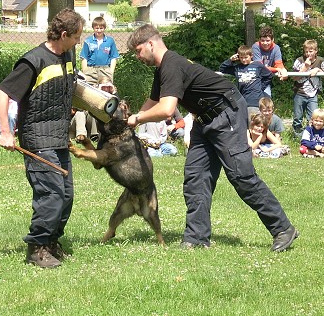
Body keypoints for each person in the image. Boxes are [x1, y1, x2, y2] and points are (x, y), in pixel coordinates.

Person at [126, 24, 298, 252]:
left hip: (225, 113)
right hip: (204, 120)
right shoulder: (163, 69)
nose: (138, 57)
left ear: (150, 44)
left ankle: (283, 229)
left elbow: (167, 110)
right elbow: (153, 101)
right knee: (196, 177)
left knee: (241, 176)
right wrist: (131, 118)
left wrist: (137, 119)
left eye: (138, 51)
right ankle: (196, 238)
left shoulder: (171, 64)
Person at [0, 8, 85, 268]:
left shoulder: (67, 56)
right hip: (37, 137)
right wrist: (5, 131)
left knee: (66, 195)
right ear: (64, 34)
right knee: (51, 194)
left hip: (58, 137)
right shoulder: (33, 60)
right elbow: (2, 93)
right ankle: (37, 248)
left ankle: (52, 242)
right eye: (77, 36)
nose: (79, 41)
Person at [219, 45, 273, 118]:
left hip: (256, 98)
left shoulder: (257, 65)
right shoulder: (237, 67)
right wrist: (230, 60)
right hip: (243, 98)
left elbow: (269, 75)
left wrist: (261, 87)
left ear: (251, 56)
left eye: (246, 57)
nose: (244, 60)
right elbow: (222, 69)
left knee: (257, 121)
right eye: (241, 58)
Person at [291, 39, 324, 138]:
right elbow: (294, 77)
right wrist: (305, 68)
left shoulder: (320, 61)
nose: (308, 54)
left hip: (313, 94)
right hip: (300, 92)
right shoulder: (300, 60)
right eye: (306, 51)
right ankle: (297, 136)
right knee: (298, 117)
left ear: (316, 51)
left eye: (310, 51)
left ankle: (311, 135)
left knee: (313, 117)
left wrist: (318, 70)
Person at [79, 16, 119, 85]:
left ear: (104, 28)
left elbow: (114, 57)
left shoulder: (110, 41)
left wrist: (111, 71)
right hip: (91, 69)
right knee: (89, 90)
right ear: (93, 28)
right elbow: (84, 58)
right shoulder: (88, 41)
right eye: (97, 28)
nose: (99, 30)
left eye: (101, 28)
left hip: (105, 70)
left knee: (106, 90)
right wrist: (85, 71)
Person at [252, 26, 288, 97]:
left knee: (267, 102)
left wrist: (283, 70)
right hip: (254, 79)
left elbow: (279, 63)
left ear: (272, 40)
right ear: (259, 40)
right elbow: (260, 67)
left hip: (265, 79)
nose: (265, 43)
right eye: (262, 40)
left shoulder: (276, 48)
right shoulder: (255, 47)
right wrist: (276, 69)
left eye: (267, 40)